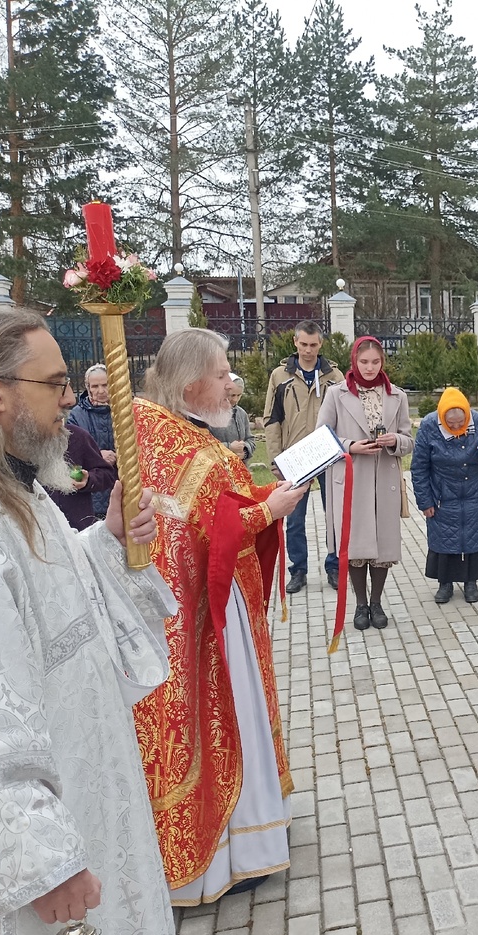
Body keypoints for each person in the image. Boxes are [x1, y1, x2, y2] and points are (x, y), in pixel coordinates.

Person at [0, 306, 177, 935]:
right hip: (30, 860)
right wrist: (40, 858)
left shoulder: (15, 492)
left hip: (86, 787)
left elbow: (50, 596)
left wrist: (107, 542)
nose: (67, 401)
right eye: (52, 384)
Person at [133, 328, 309, 904]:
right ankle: (242, 844)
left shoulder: (154, 432)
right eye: (223, 372)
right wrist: (273, 507)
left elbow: (209, 514)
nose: (233, 383)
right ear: (191, 386)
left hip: (178, 604)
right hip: (210, 612)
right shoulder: (199, 453)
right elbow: (222, 526)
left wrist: (256, 499)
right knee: (233, 716)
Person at [317, 335, 414, 631]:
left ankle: (377, 602)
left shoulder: (396, 395)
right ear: (354, 362)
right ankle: (360, 604)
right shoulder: (336, 394)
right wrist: (351, 446)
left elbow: (409, 439)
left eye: (375, 362)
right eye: (364, 362)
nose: (370, 368)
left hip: (384, 477)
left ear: (382, 361)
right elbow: (321, 437)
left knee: (383, 545)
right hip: (351, 477)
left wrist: (395, 440)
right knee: (356, 543)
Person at [264, 320, 345, 594]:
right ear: (295, 343)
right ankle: (298, 570)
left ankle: (333, 565)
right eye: (303, 344)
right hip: (295, 458)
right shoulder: (280, 376)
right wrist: (276, 458)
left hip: (328, 456)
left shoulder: (335, 376)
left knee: (333, 515)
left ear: (320, 344)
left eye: (313, 344)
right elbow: (272, 419)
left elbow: (345, 417)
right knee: (295, 519)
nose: (308, 350)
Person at [411, 386, 478, 604]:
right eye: (450, 423)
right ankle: (445, 583)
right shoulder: (428, 426)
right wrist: (425, 501)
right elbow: (418, 467)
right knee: (444, 539)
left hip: (475, 493)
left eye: (460, 422)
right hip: (443, 495)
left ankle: (472, 582)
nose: (455, 426)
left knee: (474, 537)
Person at [66, 362, 117, 519]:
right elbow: (71, 457)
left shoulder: (126, 410)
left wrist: (116, 455)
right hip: (92, 493)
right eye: (95, 386)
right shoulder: (76, 415)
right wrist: (97, 455)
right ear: (87, 387)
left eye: (105, 385)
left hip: (121, 487)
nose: (101, 391)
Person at [48, 422, 118, 531]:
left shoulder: (78, 436)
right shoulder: (24, 441)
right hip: (42, 529)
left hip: (79, 526)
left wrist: (88, 479)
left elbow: (106, 474)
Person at [210, 372, 256, 461]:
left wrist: (244, 451)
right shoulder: (210, 414)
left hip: (240, 469)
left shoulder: (241, 414)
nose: (235, 400)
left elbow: (250, 439)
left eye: (239, 395)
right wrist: (229, 447)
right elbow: (204, 446)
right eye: (232, 395)